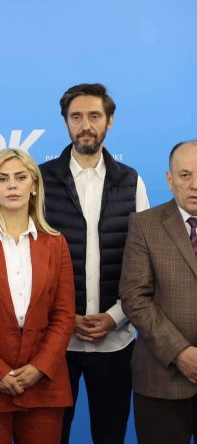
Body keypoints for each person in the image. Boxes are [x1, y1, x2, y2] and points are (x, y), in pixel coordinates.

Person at [39, 83, 149, 444]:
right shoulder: (39, 180)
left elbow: (143, 262)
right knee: (52, 437)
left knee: (110, 436)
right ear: (66, 122)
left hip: (116, 342)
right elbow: (30, 262)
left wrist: (115, 317)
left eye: (94, 116)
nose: (85, 125)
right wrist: (64, 317)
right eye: (76, 117)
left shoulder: (131, 181)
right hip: (55, 343)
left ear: (109, 121)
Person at [0, 148, 75, 444]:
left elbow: (64, 315)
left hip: (44, 383)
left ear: (34, 185)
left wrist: (39, 367)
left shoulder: (56, 244)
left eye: (20, 177)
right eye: (2, 178)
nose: (12, 185)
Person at [120, 140, 197, 444]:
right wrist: (179, 352)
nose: (194, 185)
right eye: (185, 175)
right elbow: (134, 297)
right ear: (169, 179)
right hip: (161, 381)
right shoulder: (145, 225)